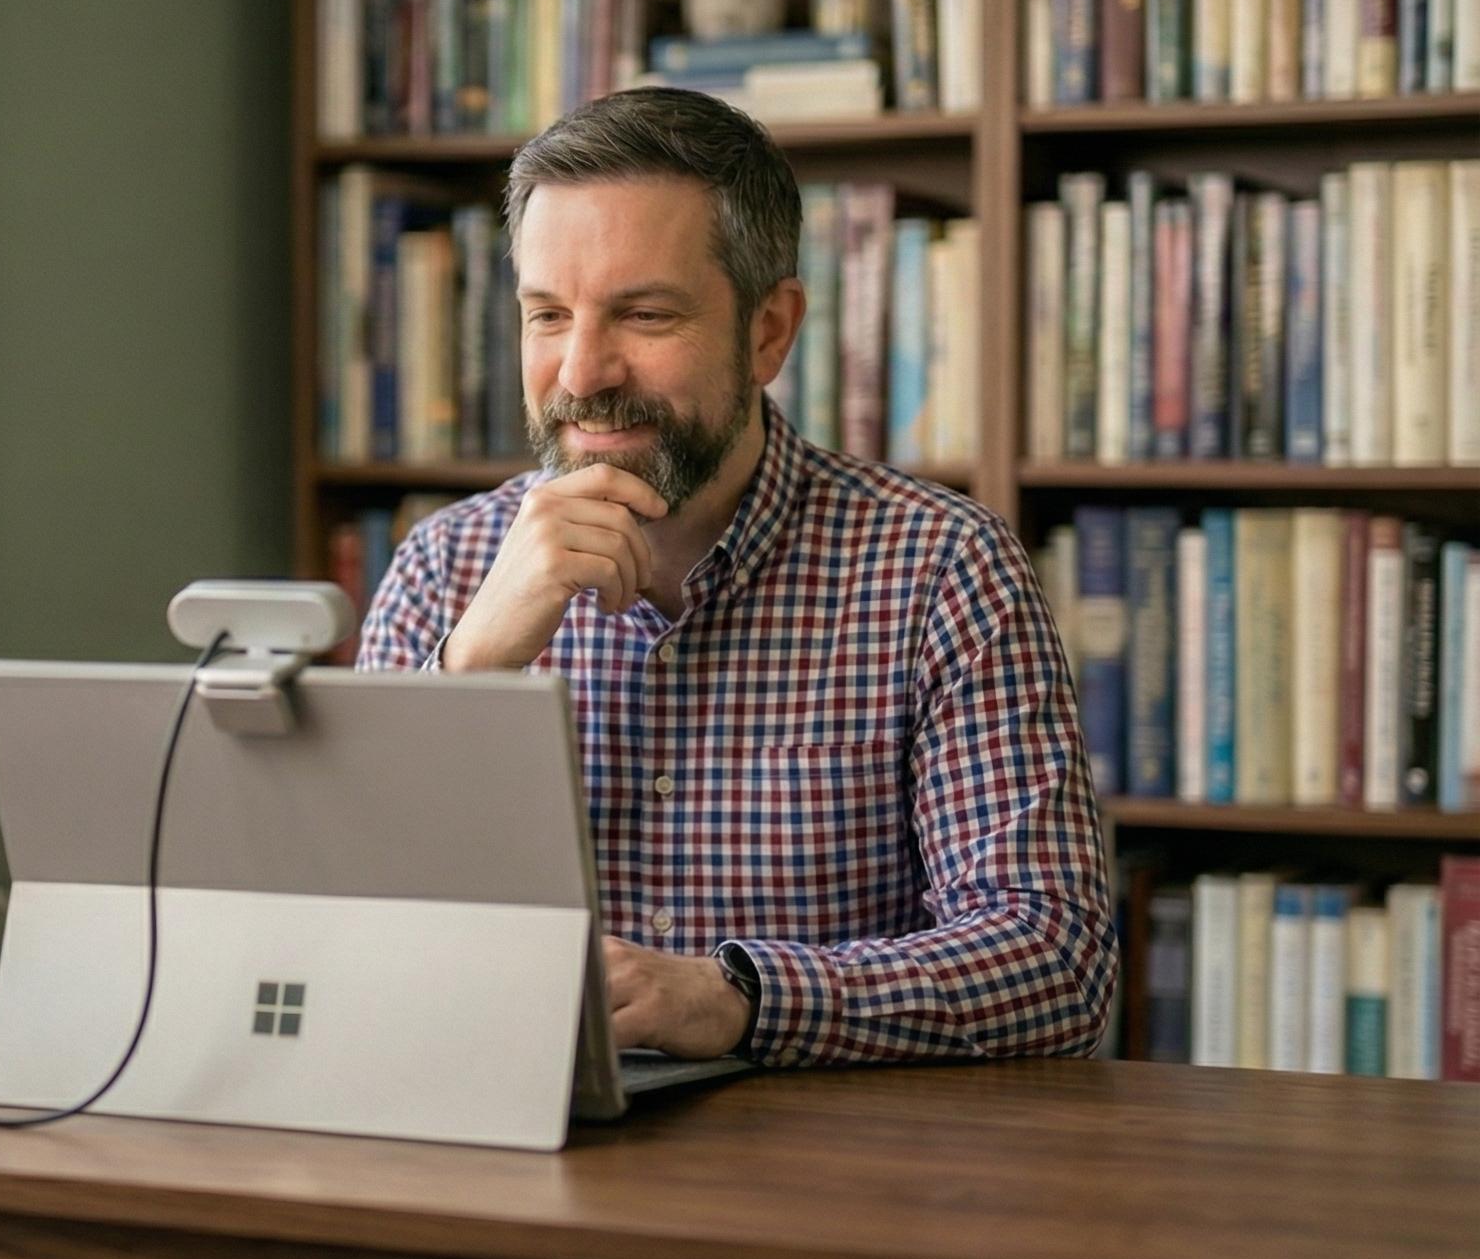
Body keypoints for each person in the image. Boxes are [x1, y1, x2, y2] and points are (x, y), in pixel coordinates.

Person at [355, 87, 1117, 1067]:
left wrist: (738, 999)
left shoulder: (941, 569)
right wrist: (465, 675)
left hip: (828, 1149)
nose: (581, 373)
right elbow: (338, 939)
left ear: (769, 332)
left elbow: (1053, 963)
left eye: (643, 314)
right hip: (518, 1132)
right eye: (547, 315)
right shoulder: (444, 566)